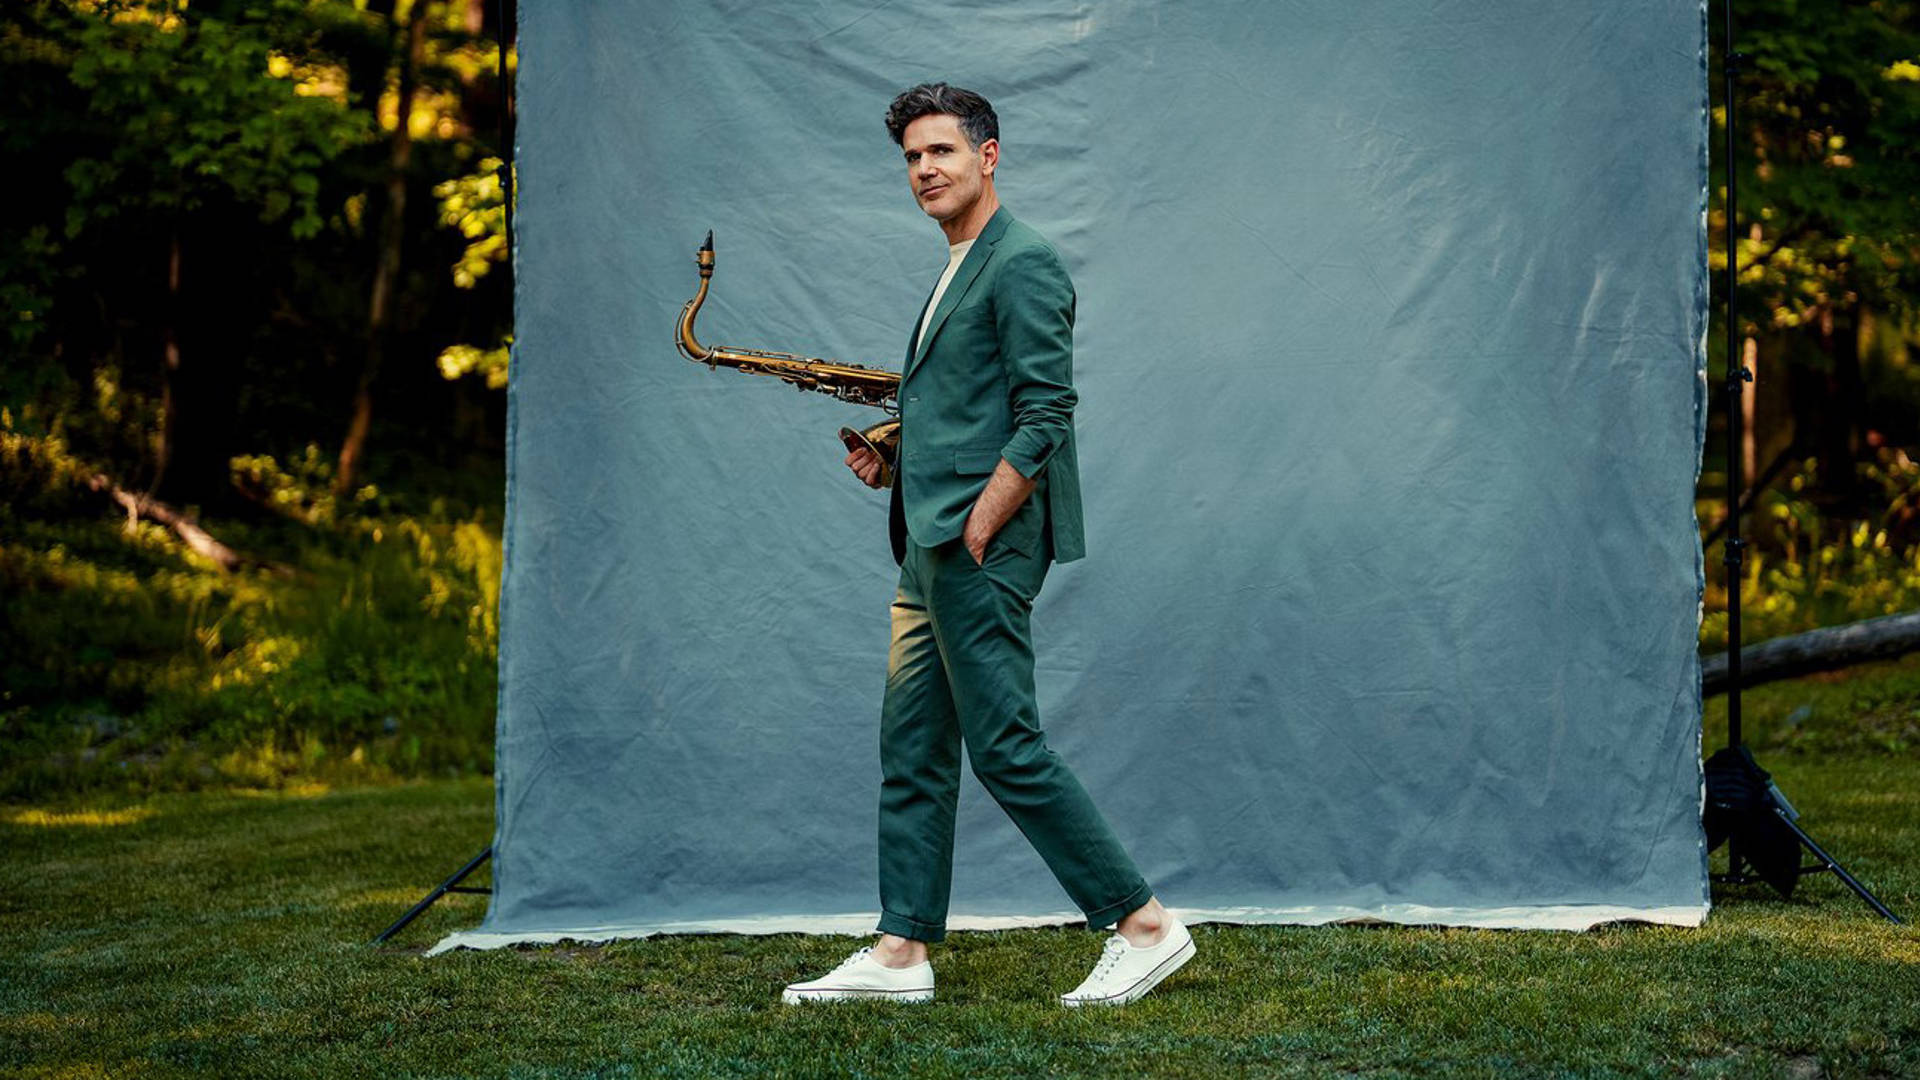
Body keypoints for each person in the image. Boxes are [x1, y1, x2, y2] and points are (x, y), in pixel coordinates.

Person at [782, 82, 1195, 1008]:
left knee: (1005, 747)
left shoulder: (1024, 261)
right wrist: (900, 460)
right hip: (926, 542)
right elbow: (966, 407)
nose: (925, 170)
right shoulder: (956, 263)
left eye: (942, 152)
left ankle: (1145, 926)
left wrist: (977, 522)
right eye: (912, 158)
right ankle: (900, 954)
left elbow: (1045, 412)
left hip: (979, 545)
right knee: (914, 747)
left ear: (989, 155)